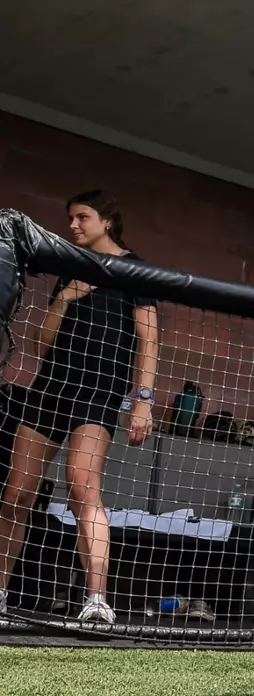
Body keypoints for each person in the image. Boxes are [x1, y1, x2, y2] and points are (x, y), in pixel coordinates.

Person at [0, 191, 157, 625]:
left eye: (82, 217)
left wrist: (142, 401)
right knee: (16, 494)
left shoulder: (135, 268)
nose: (73, 226)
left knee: (81, 487)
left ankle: (96, 600)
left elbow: (148, 342)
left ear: (107, 222)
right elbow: (41, 343)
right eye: (70, 218)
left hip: (98, 395)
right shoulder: (70, 269)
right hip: (49, 388)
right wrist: (67, 296)